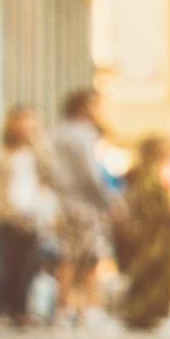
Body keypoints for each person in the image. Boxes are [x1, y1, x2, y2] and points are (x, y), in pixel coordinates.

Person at [46, 89, 118, 322]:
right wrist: (108, 201)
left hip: (63, 204)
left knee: (67, 258)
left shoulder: (54, 133)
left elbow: (47, 169)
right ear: (83, 108)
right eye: (95, 106)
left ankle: (63, 309)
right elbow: (91, 174)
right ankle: (91, 310)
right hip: (87, 205)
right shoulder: (84, 134)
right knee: (91, 259)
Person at [0, 106, 56, 323]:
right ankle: (2, 309)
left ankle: (22, 310)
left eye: (31, 122)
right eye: (22, 121)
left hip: (33, 216)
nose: (26, 126)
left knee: (30, 265)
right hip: (6, 215)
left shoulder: (37, 152)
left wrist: (36, 139)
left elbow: (51, 173)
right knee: (7, 264)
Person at [113, 133, 170, 330]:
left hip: (156, 234)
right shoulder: (146, 175)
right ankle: (140, 311)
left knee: (154, 271)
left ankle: (147, 312)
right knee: (148, 271)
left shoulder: (152, 173)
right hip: (151, 235)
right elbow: (148, 206)